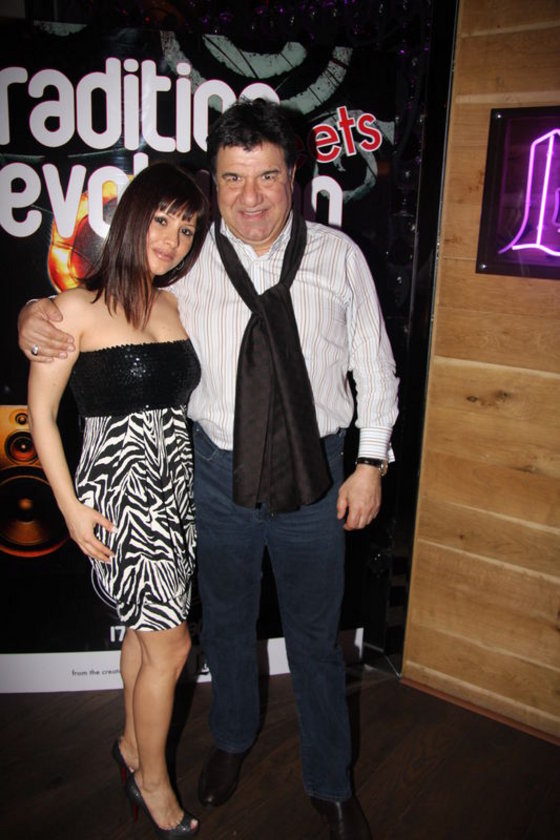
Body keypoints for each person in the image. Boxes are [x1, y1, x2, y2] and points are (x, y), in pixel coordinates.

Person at [20, 99, 399, 840]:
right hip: (214, 474)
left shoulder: (338, 256)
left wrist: (371, 462)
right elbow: (105, 302)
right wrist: (34, 311)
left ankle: (330, 783)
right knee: (222, 626)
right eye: (232, 178)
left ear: (293, 176)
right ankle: (230, 740)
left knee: (316, 639)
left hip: (317, 475)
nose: (250, 196)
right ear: (216, 182)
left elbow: (375, 365)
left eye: (267, 176)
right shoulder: (188, 262)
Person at [25, 161, 208, 840]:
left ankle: (132, 744)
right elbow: (41, 416)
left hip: (175, 492)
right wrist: (70, 509)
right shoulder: (73, 309)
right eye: (161, 220)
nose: (172, 239)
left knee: (143, 632)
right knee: (172, 647)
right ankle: (152, 782)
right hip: (119, 501)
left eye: (185, 229)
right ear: (131, 218)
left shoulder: (175, 304)